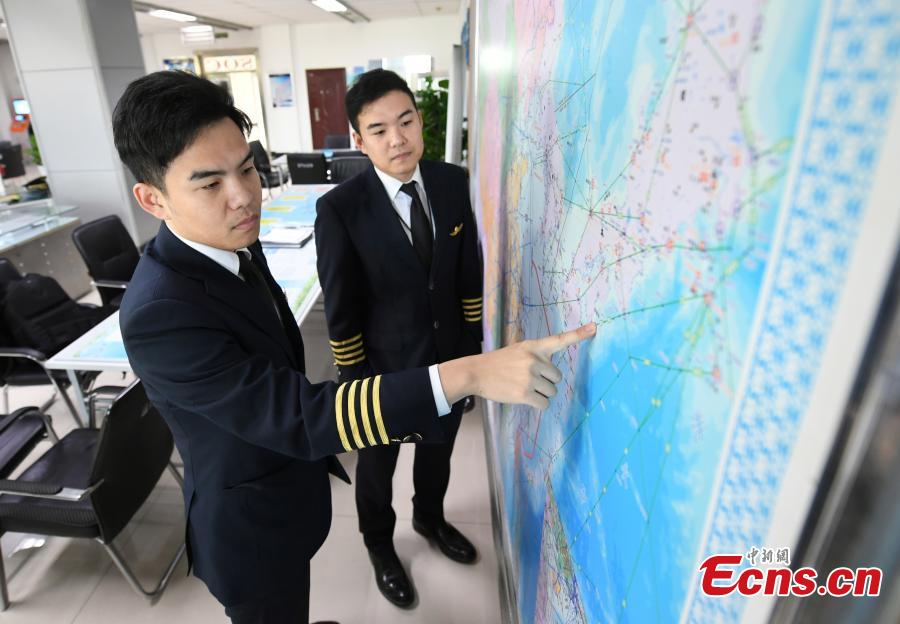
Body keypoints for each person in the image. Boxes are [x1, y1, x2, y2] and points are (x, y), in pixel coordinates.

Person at [113, 70, 595, 624]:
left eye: (246, 168)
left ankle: (429, 518)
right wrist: (469, 372)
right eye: (209, 184)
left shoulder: (233, 245)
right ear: (152, 198)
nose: (244, 197)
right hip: (248, 524)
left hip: (292, 490)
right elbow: (298, 413)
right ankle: (379, 542)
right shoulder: (159, 313)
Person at [314, 68, 484, 608]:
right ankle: (379, 543)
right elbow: (340, 309)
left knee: (439, 452)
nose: (398, 139)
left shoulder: (452, 182)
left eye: (406, 121)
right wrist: (355, 381)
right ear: (359, 140)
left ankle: (430, 519)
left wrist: (470, 353)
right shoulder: (340, 209)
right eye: (380, 129)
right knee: (377, 467)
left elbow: (466, 274)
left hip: (447, 360)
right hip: (381, 372)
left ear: (420, 121)